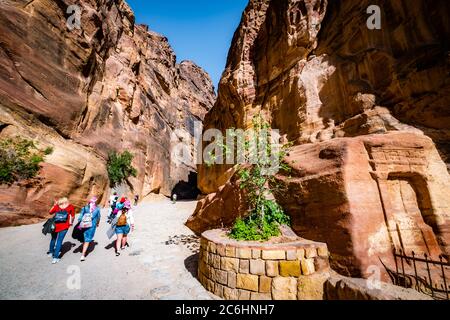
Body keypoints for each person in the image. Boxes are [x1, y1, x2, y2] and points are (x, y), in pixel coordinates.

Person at [48, 197, 75, 264]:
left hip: (55, 226)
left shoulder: (57, 206)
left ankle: (51, 252)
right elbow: (73, 216)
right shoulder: (70, 207)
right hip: (64, 226)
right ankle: (55, 258)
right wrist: (71, 222)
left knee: (53, 239)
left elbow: (50, 212)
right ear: (67, 201)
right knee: (59, 241)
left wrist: (54, 205)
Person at [78, 196, 101, 261]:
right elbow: (99, 217)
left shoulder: (85, 208)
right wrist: (97, 223)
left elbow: (80, 216)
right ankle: (83, 255)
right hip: (92, 226)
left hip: (83, 225)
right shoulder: (97, 209)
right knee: (88, 239)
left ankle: (83, 247)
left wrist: (80, 222)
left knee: (84, 237)